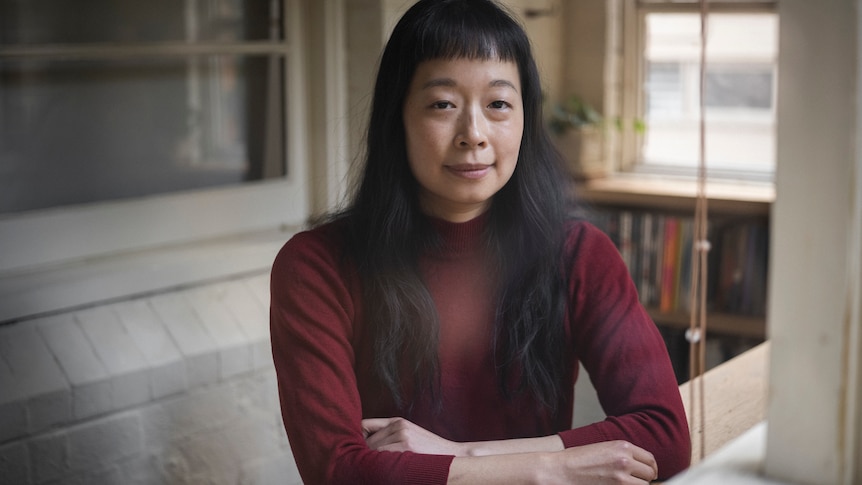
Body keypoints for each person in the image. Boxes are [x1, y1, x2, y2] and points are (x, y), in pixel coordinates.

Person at [270, 0, 691, 483]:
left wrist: (465, 456)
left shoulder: (580, 254)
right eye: (442, 104)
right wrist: (553, 468)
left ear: (524, 119)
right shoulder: (316, 266)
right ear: (397, 118)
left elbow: (665, 437)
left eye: (498, 105)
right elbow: (338, 471)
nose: (473, 134)